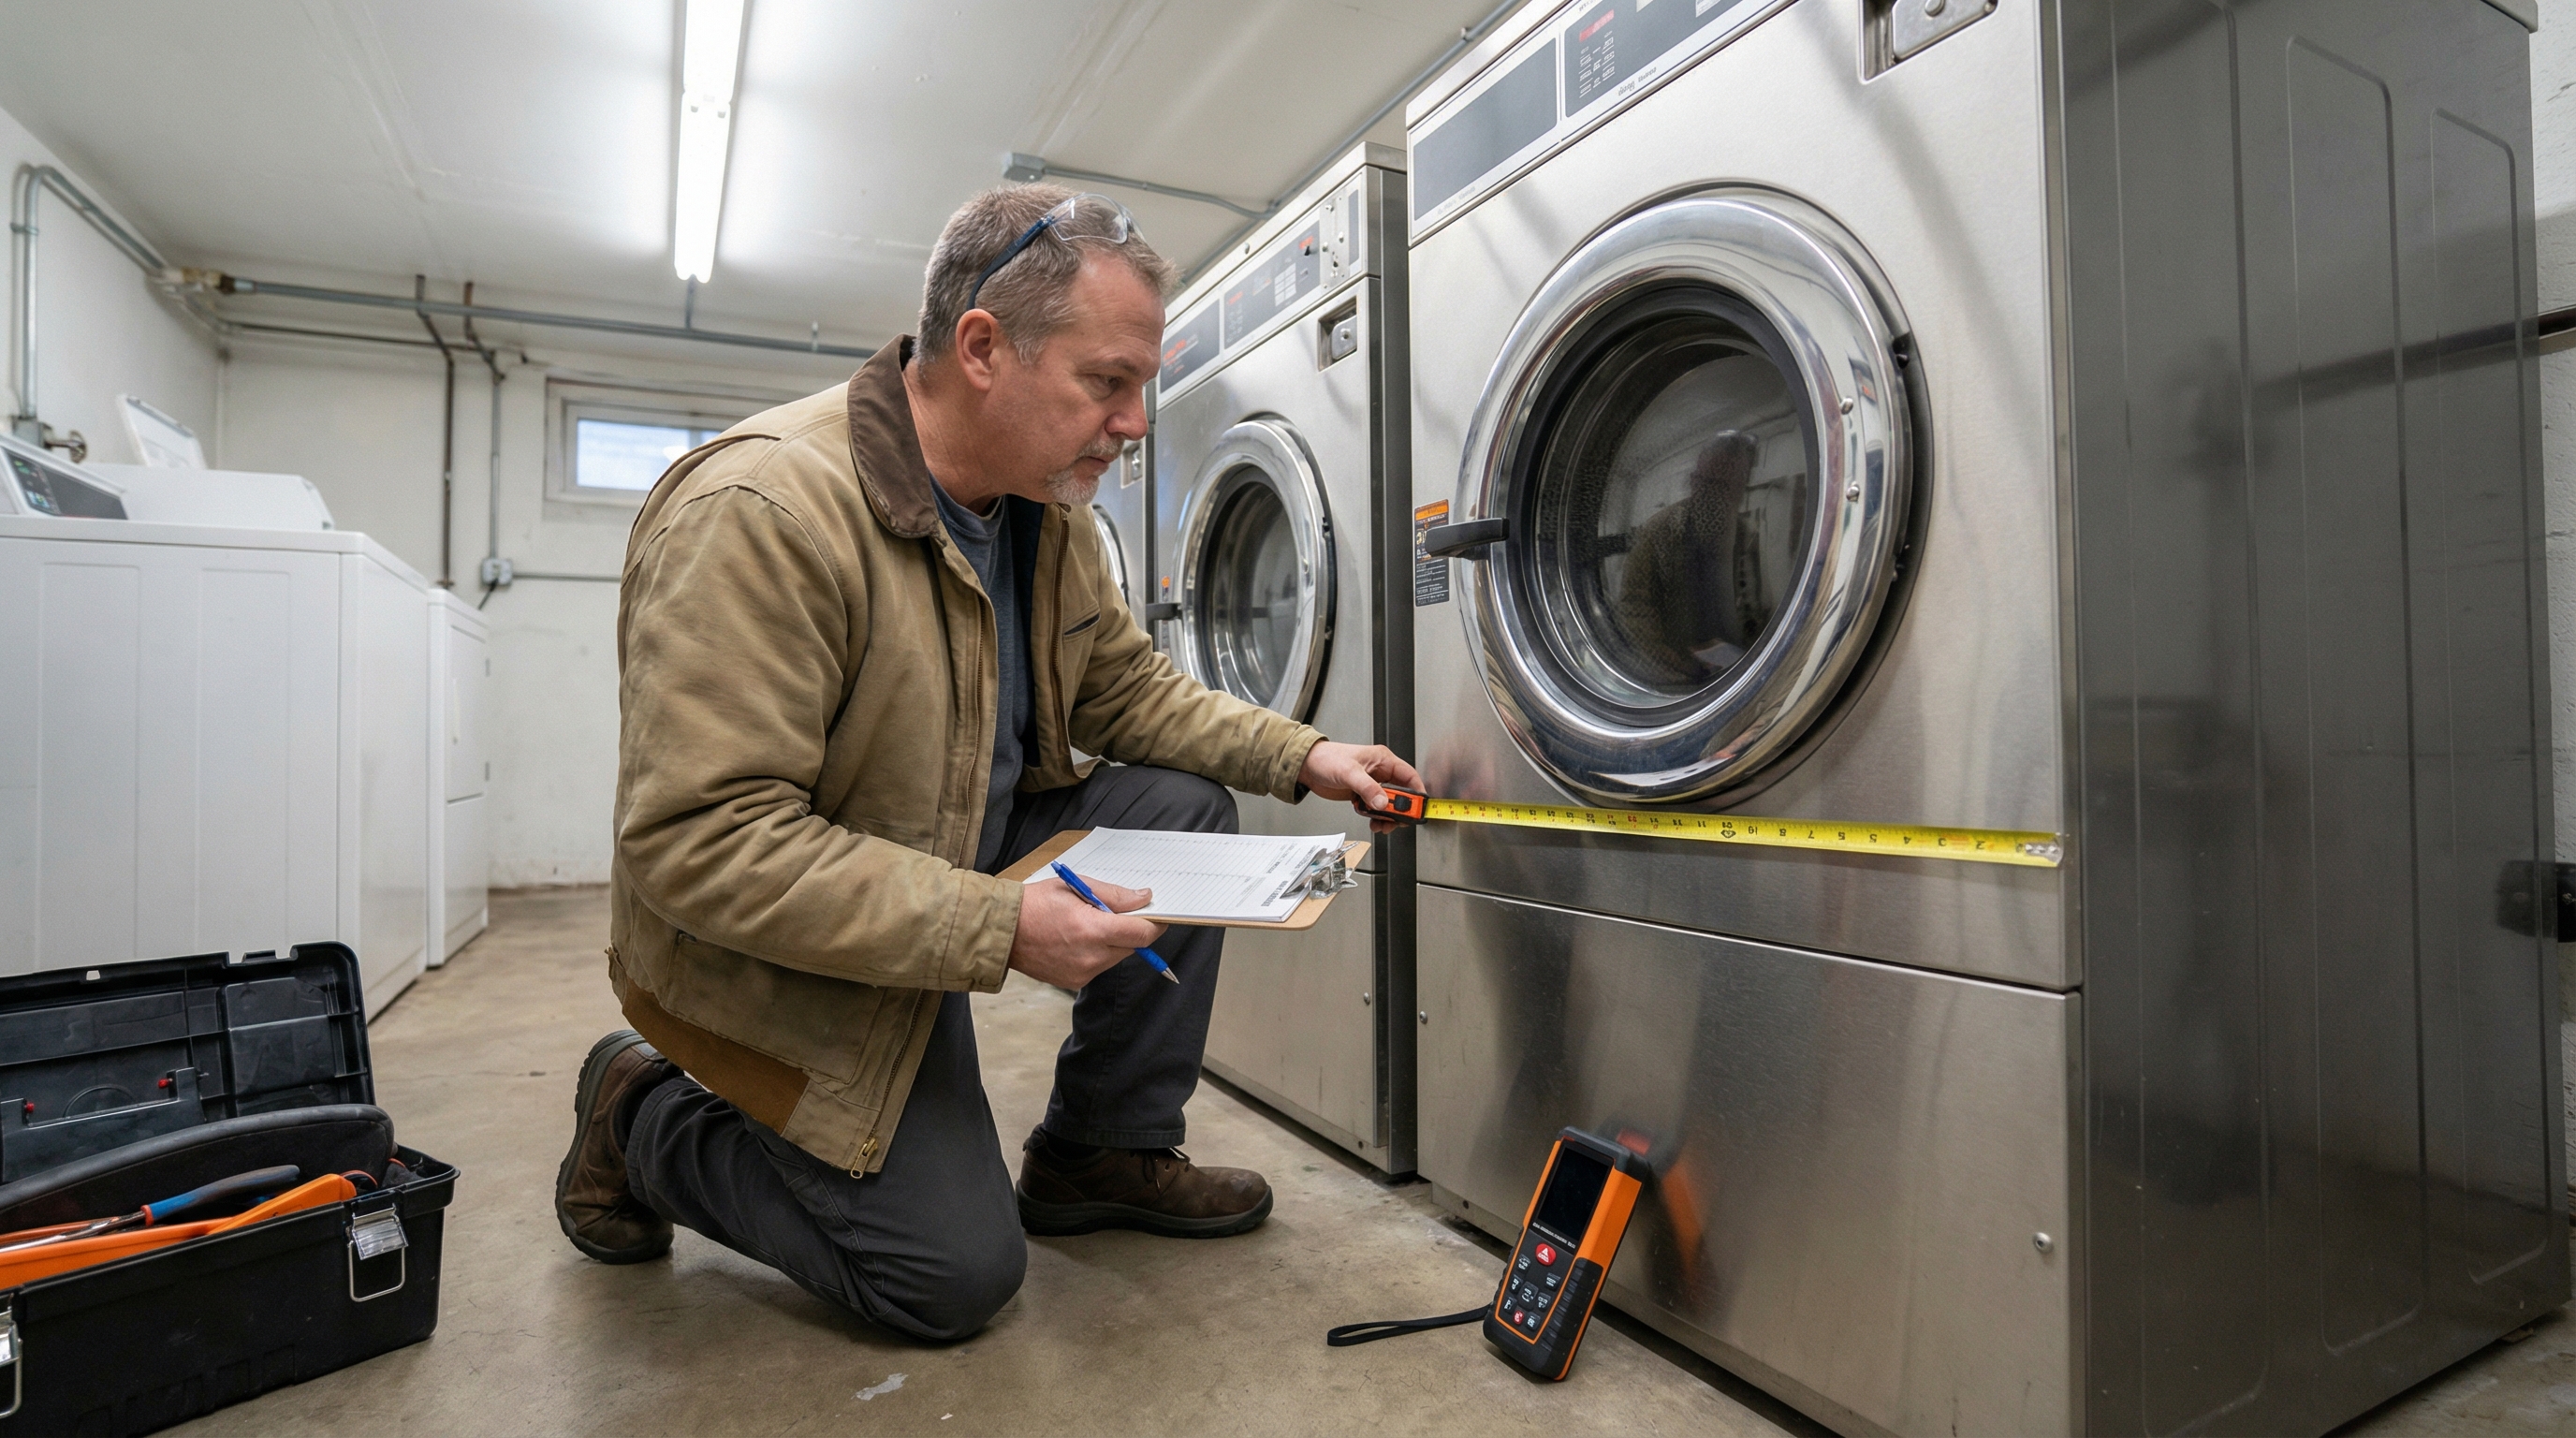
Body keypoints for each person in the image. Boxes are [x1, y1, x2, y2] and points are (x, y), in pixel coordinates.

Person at [552, 184, 1420, 1342]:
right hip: (779, 944)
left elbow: (1120, 688)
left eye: (1142, 386)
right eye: (1105, 382)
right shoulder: (761, 510)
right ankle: (640, 1115)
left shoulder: (1038, 510)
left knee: (1183, 808)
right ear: (981, 349)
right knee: (947, 1278)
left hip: (953, 844)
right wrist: (997, 927)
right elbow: (700, 846)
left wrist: (1303, 753)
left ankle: (1100, 1152)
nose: (1135, 423)